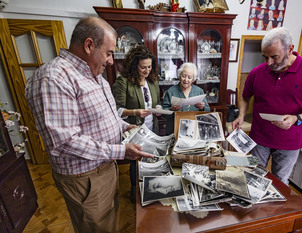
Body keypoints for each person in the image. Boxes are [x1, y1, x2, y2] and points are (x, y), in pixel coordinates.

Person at [25, 17, 154, 233]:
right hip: (85, 177)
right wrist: (121, 150)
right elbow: (64, 142)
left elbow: (107, 117)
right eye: (109, 52)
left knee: (108, 224)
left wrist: (125, 127)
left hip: (105, 167)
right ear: (88, 45)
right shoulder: (54, 77)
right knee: (95, 227)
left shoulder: (96, 76)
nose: (112, 61)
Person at [232, 27, 302, 185]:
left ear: (290, 49)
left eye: (274, 57)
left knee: (280, 183)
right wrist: (241, 116)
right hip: (259, 138)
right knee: (252, 178)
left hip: (289, 142)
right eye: (265, 57)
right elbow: (245, 97)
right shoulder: (257, 72)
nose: (269, 63)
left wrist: (296, 118)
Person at [113, 45, 161, 203]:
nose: (147, 71)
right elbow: (116, 110)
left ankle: (151, 188)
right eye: (143, 67)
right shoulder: (123, 81)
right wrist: (135, 112)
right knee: (136, 160)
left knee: (151, 158)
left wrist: (159, 108)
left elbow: (157, 102)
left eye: (149, 66)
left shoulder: (152, 81)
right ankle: (135, 192)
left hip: (152, 127)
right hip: (134, 128)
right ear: (134, 66)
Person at [162, 62, 210, 135]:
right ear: (179, 75)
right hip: (174, 130)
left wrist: (202, 108)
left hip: (193, 131)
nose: (186, 80)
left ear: (193, 79)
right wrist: (172, 109)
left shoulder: (199, 91)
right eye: (183, 76)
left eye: (189, 77)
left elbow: (208, 111)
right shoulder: (171, 91)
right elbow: (163, 113)